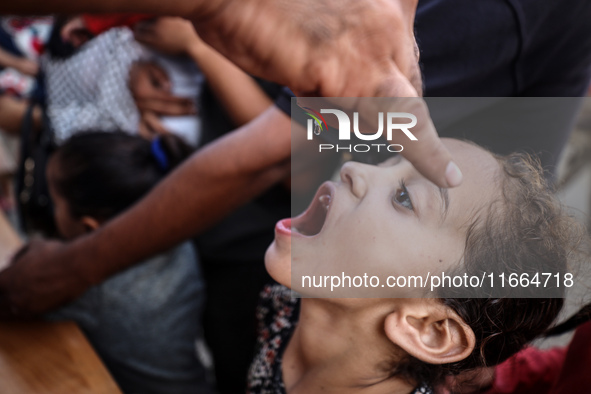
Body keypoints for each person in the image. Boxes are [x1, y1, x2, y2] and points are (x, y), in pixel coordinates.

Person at [248, 138, 584, 393]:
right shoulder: (283, 303)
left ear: (430, 329)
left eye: (403, 197)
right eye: (391, 160)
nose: (354, 169)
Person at [43, 131, 213, 394]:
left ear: (90, 227)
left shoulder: (94, 287)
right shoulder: (178, 240)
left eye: (56, 203)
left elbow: (15, 297)